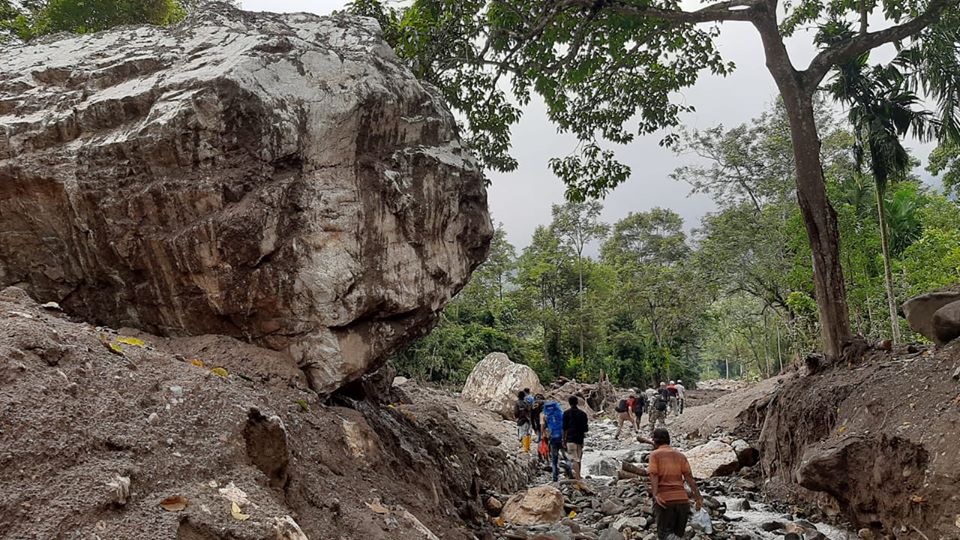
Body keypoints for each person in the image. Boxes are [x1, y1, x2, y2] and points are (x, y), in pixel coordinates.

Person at [648, 428, 703, 540]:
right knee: (678, 534)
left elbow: (653, 474)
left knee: (664, 535)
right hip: (683, 501)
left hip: (665, 500)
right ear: (669, 440)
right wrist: (698, 497)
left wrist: (655, 494)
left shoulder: (655, 455)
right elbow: (689, 478)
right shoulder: (680, 456)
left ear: (655, 441)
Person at [562, 396, 589, 480]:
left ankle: (577, 477)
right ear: (577, 402)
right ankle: (579, 475)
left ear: (569, 403)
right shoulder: (583, 414)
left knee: (574, 459)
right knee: (579, 458)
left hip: (570, 439)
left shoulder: (566, 413)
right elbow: (586, 429)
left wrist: (563, 440)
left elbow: (564, 428)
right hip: (580, 439)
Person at [541, 400, 568, 481]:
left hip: (552, 438)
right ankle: (569, 473)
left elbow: (543, 426)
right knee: (566, 457)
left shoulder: (546, 416)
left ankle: (555, 477)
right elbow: (565, 427)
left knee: (554, 459)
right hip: (562, 438)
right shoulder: (561, 414)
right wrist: (565, 438)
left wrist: (543, 434)